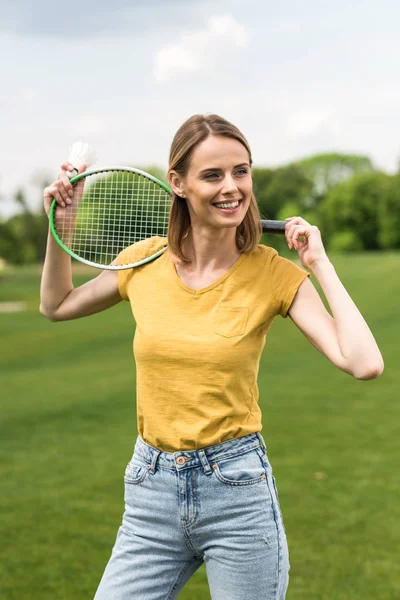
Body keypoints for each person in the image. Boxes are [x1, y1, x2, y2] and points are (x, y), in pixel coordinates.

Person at [41, 114, 384, 600]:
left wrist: (320, 265)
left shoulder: (273, 272)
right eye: (213, 175)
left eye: (241, 172)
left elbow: (364, 362)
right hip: (150, 491)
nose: (232, 188)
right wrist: (62, 228)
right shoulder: (144, 261)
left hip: (236, 492)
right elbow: (56, 305)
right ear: (177, 184)